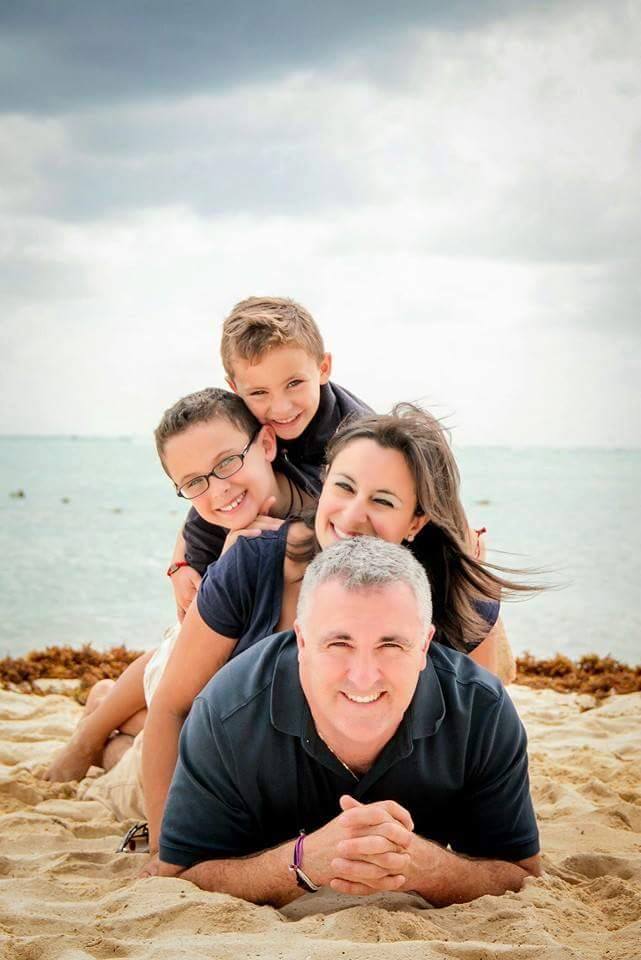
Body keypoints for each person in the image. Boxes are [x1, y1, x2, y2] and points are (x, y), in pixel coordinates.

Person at [143, 404, 528, 855]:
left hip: (352, 789)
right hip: (237, 773)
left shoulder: (462, 599)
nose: (351, 516)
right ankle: (105, 733)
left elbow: (479, 741)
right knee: (131, 777)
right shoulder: (254, 562)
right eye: (343, 487)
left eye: (383, 501)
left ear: (417, 520)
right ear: (324, 483)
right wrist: (162, 850)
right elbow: (171, 709)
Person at [157, 537, 541, 906]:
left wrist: (424, 866)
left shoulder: (482, 709)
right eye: (339, 644)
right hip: (184, 766)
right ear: (302, 642)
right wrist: (303, 861)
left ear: (424, 646)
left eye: (390, 645)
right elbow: (177, 876)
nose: (363, 677)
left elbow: (521, 873)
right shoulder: (225, 711)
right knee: (126, 785)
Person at [44, 386, 311, 785]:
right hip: (191, 672)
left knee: (163, 732)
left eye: (227, 463)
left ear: (267, 444)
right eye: (194, 482)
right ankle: (93, 732)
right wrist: (190, 565)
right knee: (168, 722)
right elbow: (183, 652)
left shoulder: (317, 499)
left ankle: (106, 713)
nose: (217, 489)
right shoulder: (220, 529)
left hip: (224, 688)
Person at [168, 296, 371, 622]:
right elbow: (210, 485)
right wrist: (184, 563)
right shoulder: (240, 424)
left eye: (294, 384)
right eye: (259, 392)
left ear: (323, 368)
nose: (281, 408)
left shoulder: (357, 439)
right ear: (235, 388)